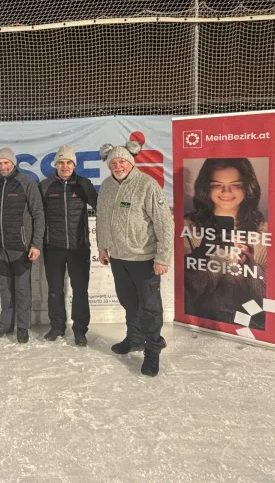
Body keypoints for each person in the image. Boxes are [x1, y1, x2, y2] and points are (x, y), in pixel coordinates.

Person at [96, 140, 174, 378]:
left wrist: (163, 257)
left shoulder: (146, 185)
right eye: (114, 162)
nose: (118, 165)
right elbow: (101, 218)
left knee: (150, 307)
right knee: (129, 301)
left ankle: (152, 349)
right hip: (118, 257)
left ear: (131, 162)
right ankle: (135, 337)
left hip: (143, 258)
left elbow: (164, 223)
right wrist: (102, 247)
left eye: (122, 161)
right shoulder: (107, 186)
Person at [182, 158, 268, 330]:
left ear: (247, 188)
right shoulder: (188, 227)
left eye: (235, 185)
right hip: (203, 320)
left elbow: (265, 296)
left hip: (250, 324)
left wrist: (251, 267)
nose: (226, 192)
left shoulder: (262, 229)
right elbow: (188, 292)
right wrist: (203, 252)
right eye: (217, 185)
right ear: (206, 188)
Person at [39, 145, 98, 346]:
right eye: (61, 162)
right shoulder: (45, 185)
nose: (65, 166)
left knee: (80, 290)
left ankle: (80, 330)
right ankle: (57, 326)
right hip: (53, 247)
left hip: (78, 248)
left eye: (69, 162)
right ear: (55, 164)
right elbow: (38, 216)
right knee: (55, 289)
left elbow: (101, 207)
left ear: (74, 164)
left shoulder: (84, 184)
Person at [0, 147, 45, 344]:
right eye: (0, 163)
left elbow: (38, 214)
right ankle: (6, 324)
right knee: (4, 287)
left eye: (6, 163)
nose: (3, 166)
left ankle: (22, 326)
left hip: (21, 246)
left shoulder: (26, 183)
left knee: (22, 288)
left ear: (13, 163)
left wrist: (36, 244)